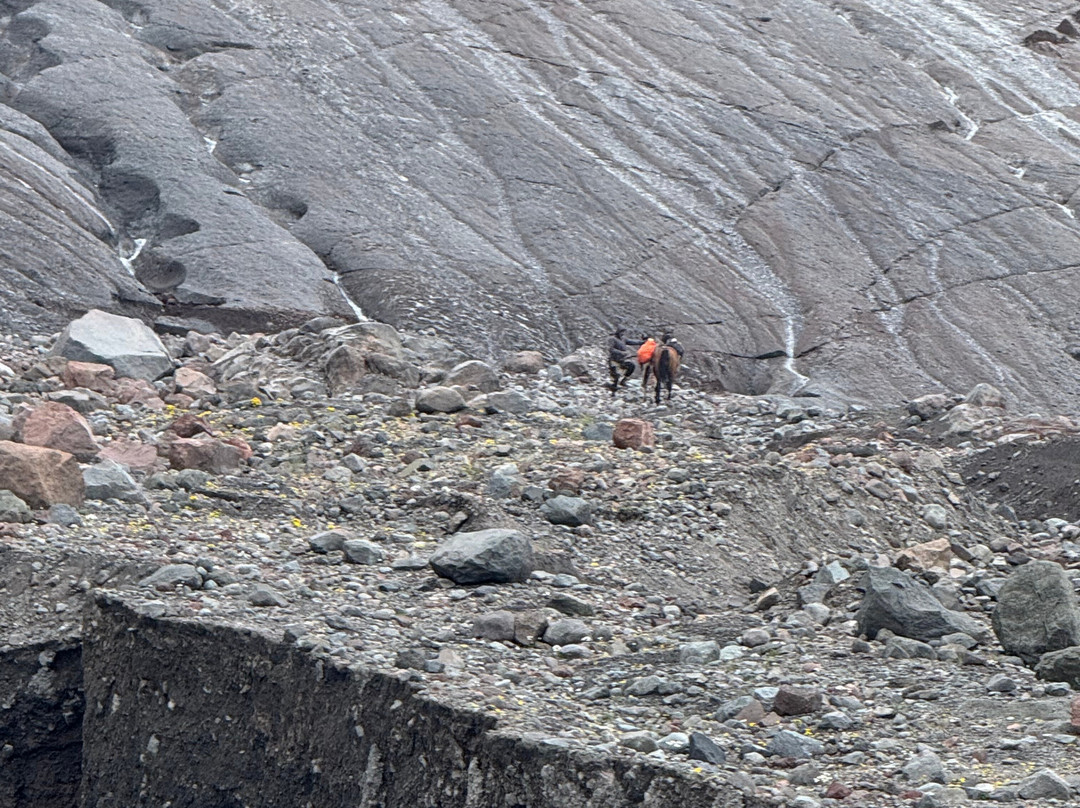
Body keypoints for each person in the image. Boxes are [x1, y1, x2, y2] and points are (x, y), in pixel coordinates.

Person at [607, 327, 637, 394]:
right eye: (621, 332)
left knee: (631, 366)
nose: (622, 333)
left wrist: (643, 342)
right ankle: (613, 393)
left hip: (622, 360)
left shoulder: (623, 339)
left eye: (623, 332)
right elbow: (611, 349)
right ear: (618, 332)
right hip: (614, 360)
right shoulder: (612, 339)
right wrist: (622, 352)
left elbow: (632, 342)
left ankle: (623, 381)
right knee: (616, 376)